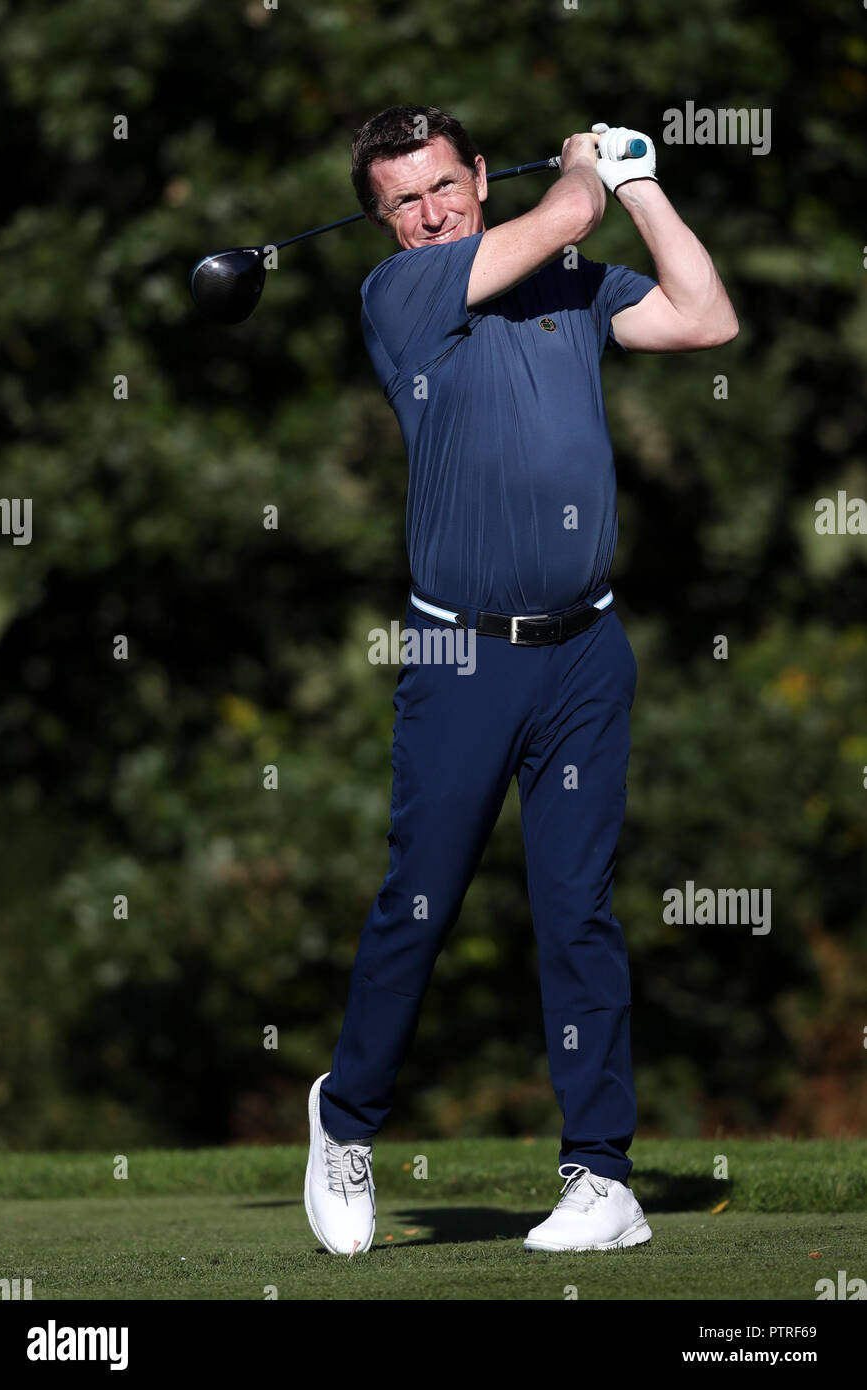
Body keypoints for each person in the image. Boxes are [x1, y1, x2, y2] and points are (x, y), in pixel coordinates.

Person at [304, 105, 737, 1256]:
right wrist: (590, 177)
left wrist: (640, 183)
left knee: (576, 912)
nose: (429, 210)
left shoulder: (570, 282)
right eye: (401, 198)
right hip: (460, 655)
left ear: (479, 176)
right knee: (419, 902)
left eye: (443, 184)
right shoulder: (399, 296)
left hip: (585, 654)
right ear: (379, 219)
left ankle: (601, 1178)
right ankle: (344, 1120)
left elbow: (706, 317)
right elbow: (565, 210)